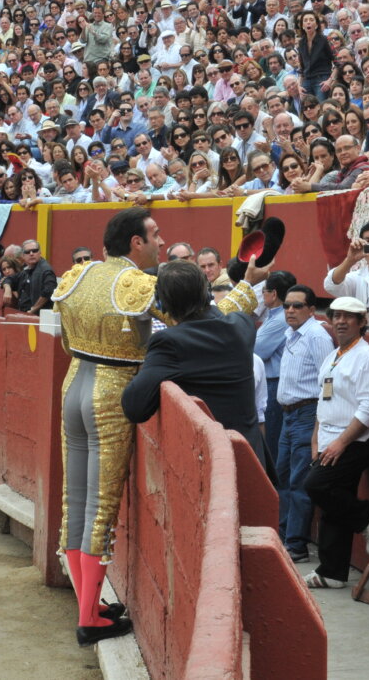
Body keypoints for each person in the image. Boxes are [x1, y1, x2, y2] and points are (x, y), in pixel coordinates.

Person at [51, 208, 260, 646]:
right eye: (156, 235)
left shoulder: (76, 275)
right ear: (135, 243)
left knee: (75, 499)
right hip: (110, 393)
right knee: (100, 507)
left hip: (73, 385)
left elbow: (67, 340)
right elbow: (203, 318)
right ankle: (89, 617)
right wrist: (245, 289)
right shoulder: (139, 285)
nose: (162, 242)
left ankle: (88, 603)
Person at [121, 259, 267, 467]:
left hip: (205, 460)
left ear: (161, 303)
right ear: (207, 294)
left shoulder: (169, 343)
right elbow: (220, 317)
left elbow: (135, 406)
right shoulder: (241, 325)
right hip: (250, 454)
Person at [301, 296, 369, 589]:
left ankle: (368, 514)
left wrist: (341, 442)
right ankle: (332, 572)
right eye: (336, 315)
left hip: (357, 439)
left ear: (362, 322)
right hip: (329, 437)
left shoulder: (368, 357)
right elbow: (322, 402)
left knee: (316, 485)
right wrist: (316, 439)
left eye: (348, 316)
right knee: (333, 499)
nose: (340, 320)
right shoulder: (333, 355)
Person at [275, 283, 336, 563]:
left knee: (298, 479)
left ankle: (296, 544)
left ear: (312, 310)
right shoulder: (292, 334)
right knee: (284, 476)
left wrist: (319, 421)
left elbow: (328, 380)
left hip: (306, 413)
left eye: (297, 305)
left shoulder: (316, 336)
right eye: (287, 305)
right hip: (289, 414)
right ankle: (285, 536)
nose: (290, 310)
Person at [255, 269, 298, 465]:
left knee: (271, 439)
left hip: (275, 383)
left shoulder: (280, 318)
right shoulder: (276, 316)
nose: (262, 295)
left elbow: (257, 350)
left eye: (264, 291)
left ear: (273, 294)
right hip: (273, 381)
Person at [18, 238, 57, 313]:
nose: (31, 253)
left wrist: (34, 309)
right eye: (27, 252)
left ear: (40, 253)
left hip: (40, 317)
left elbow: (49, 290)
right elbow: (12, 278)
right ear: (23, 256)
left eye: (35, 251)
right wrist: (7, 288)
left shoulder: (46, 270)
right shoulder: (26, 269)